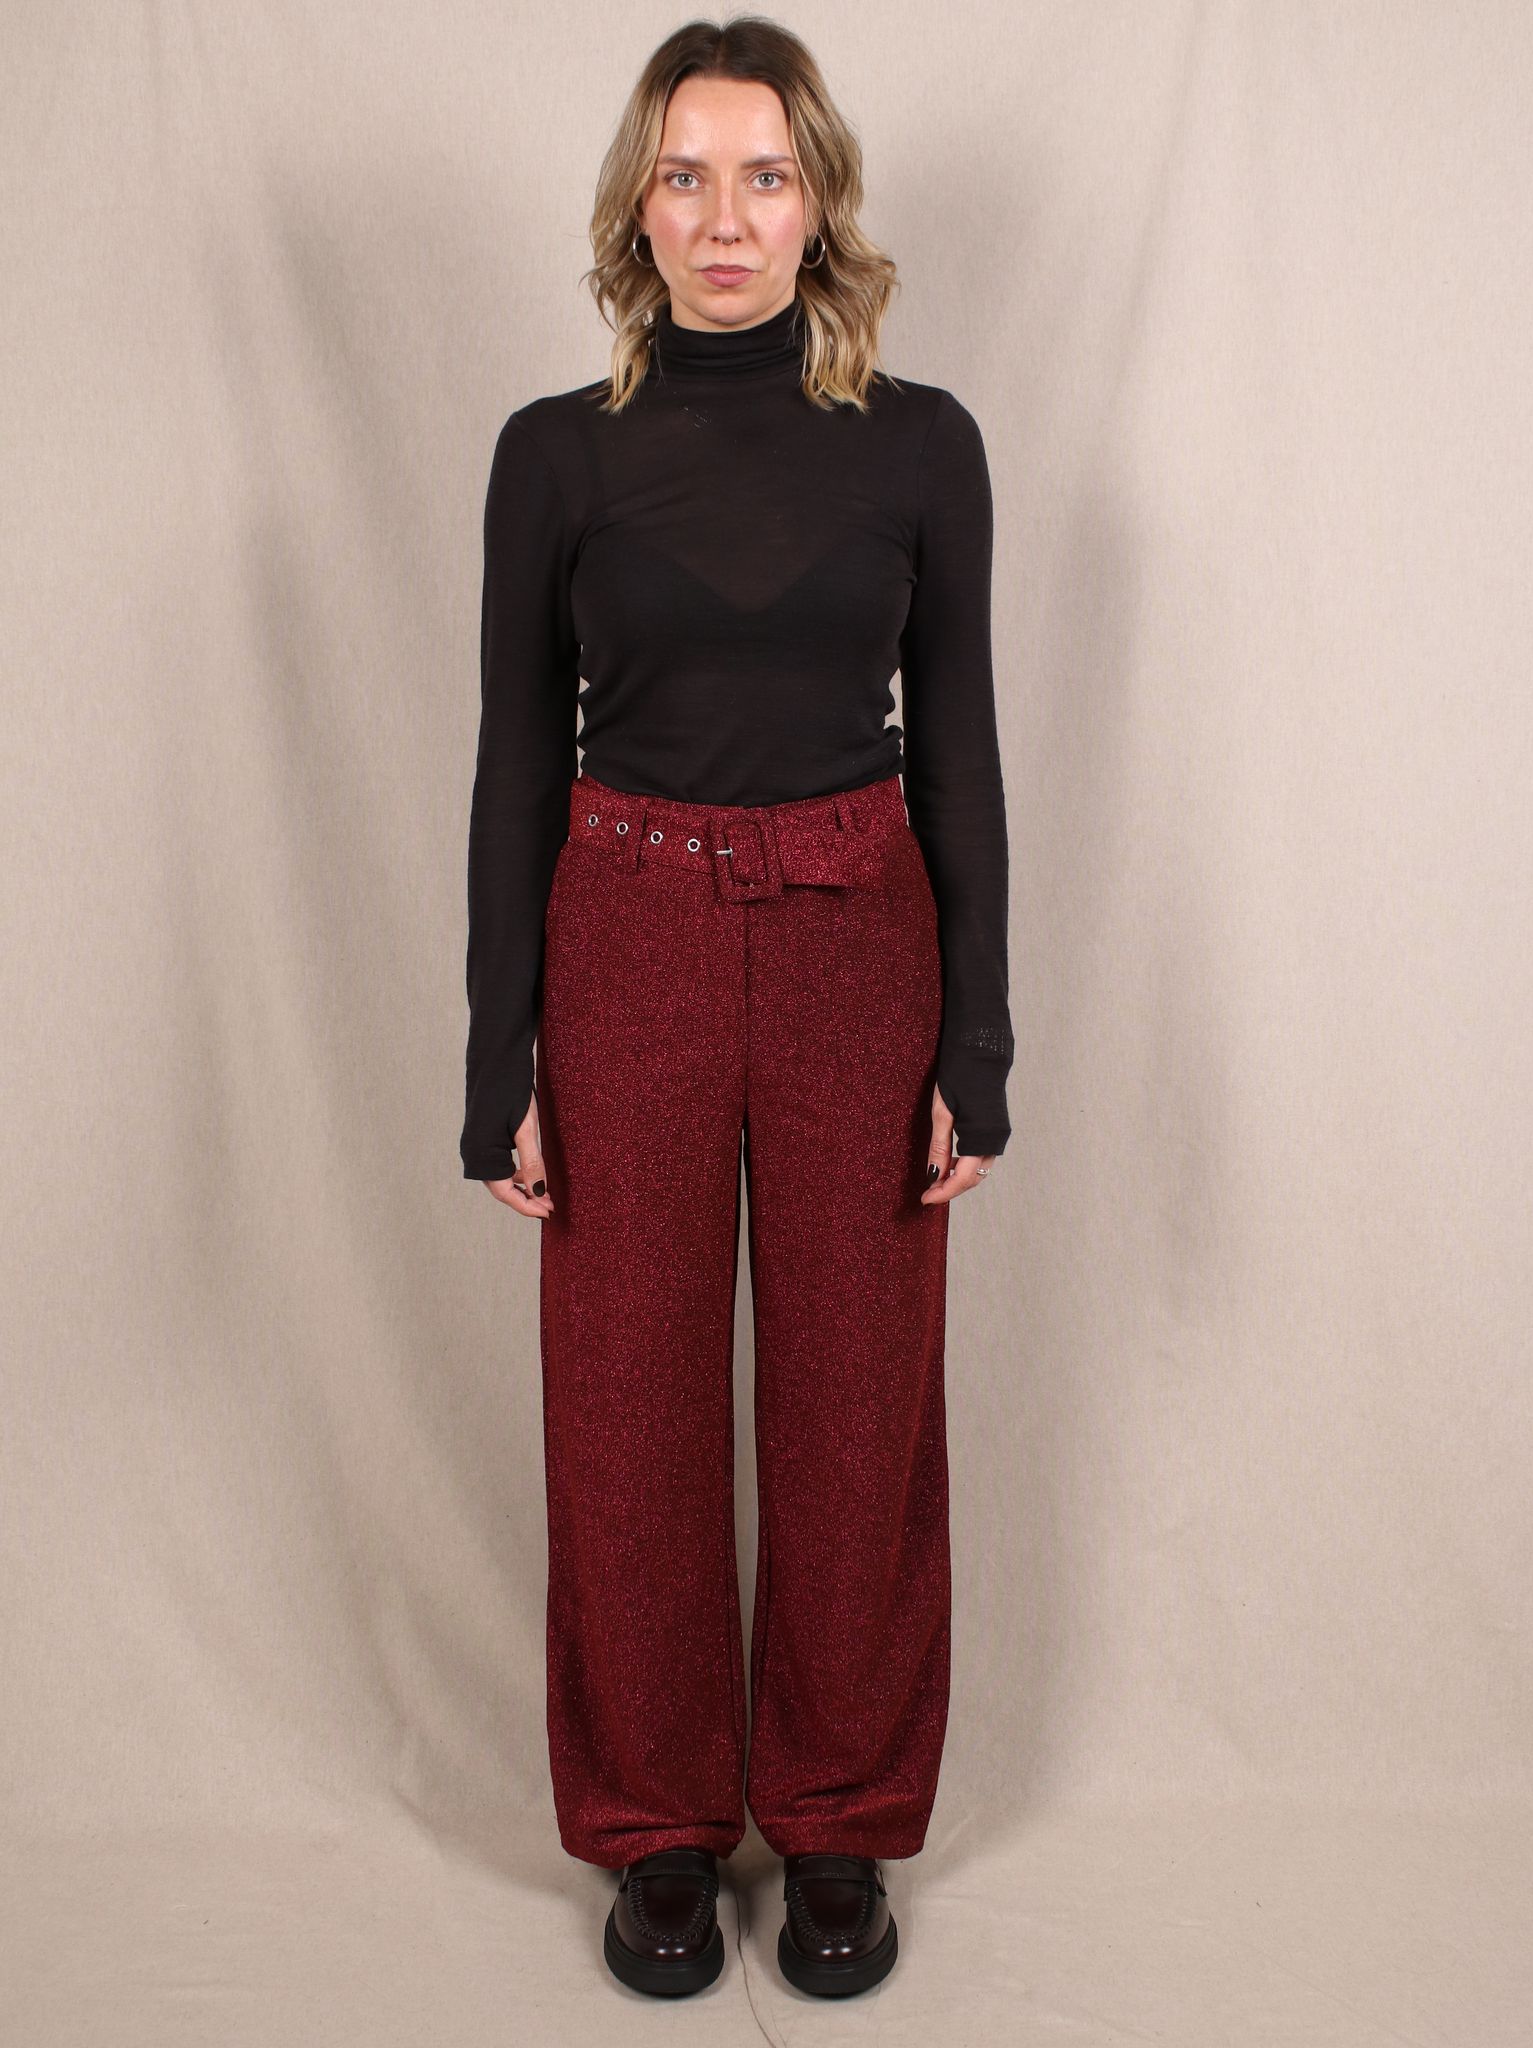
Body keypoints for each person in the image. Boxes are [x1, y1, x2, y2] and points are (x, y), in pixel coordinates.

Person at [460, 15, 1014, 2001]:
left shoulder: (922, 446)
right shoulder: (556, 454)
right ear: (638, 206)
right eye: (684, 176)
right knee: (626, 1399)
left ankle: (841, 1813)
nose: (723, 216)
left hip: (864, 934)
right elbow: (516, 765)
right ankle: (659, 1827)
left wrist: (977, 1043)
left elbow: (959, 752)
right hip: (628, 929)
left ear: (817, 200)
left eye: (762, 175)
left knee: (861, 1402)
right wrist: (496, 1055)